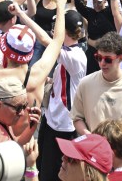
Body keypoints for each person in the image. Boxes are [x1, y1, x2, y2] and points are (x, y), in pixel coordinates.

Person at [39, 11, 89, 181]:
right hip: (51, 117)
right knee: (42, 167)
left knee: (53, 174)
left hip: (63, 124)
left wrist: (22, 17)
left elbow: (46, 41)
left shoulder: (76, 56)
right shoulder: (71, 51)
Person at [72, 31, 122, 134]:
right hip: (92, 148)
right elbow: (77, 118)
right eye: (99, 57)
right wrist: (90, 137)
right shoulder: (85, 83)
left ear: (121, 58)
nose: (102, 63)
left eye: (108, 60)